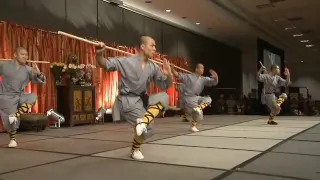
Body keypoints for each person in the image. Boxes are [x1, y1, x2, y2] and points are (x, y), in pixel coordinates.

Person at [95, 36, 173, 160]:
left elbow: (165, 85)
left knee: (164, 97)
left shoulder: (153, 66)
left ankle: (143, 122)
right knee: (149, 128)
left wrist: (169, 74)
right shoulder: (125, 61)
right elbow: (106, 64)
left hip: (141, 99)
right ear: (142, 47)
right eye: (152, 45)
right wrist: (99, 55)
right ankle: (135, 148)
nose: (155, 48)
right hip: (127, 101)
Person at [0, 47, 46, 148]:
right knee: (9, 121)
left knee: (32, 97)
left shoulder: (29, 69)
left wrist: (38, 74)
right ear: (15, 55)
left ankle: (16, 114)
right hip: (5, 96)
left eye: (26, 54)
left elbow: (40, 80)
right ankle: (12, 139)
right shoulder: (3, 65)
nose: (25, 56)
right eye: (22, 54)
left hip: (20, 95)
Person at [172, 63, 218, 132]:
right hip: (188, 99)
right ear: (196, 69)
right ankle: (193, 125)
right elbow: (177, 75)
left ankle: (198, 108)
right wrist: (172, 69)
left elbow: (214, 83)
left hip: (196, 98)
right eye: (201, 68)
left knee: (208, 99)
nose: (203, 70)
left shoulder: (203, 79)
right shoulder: (189, 76)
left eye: (203, 68)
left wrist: (216, 77)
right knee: (199, 114)